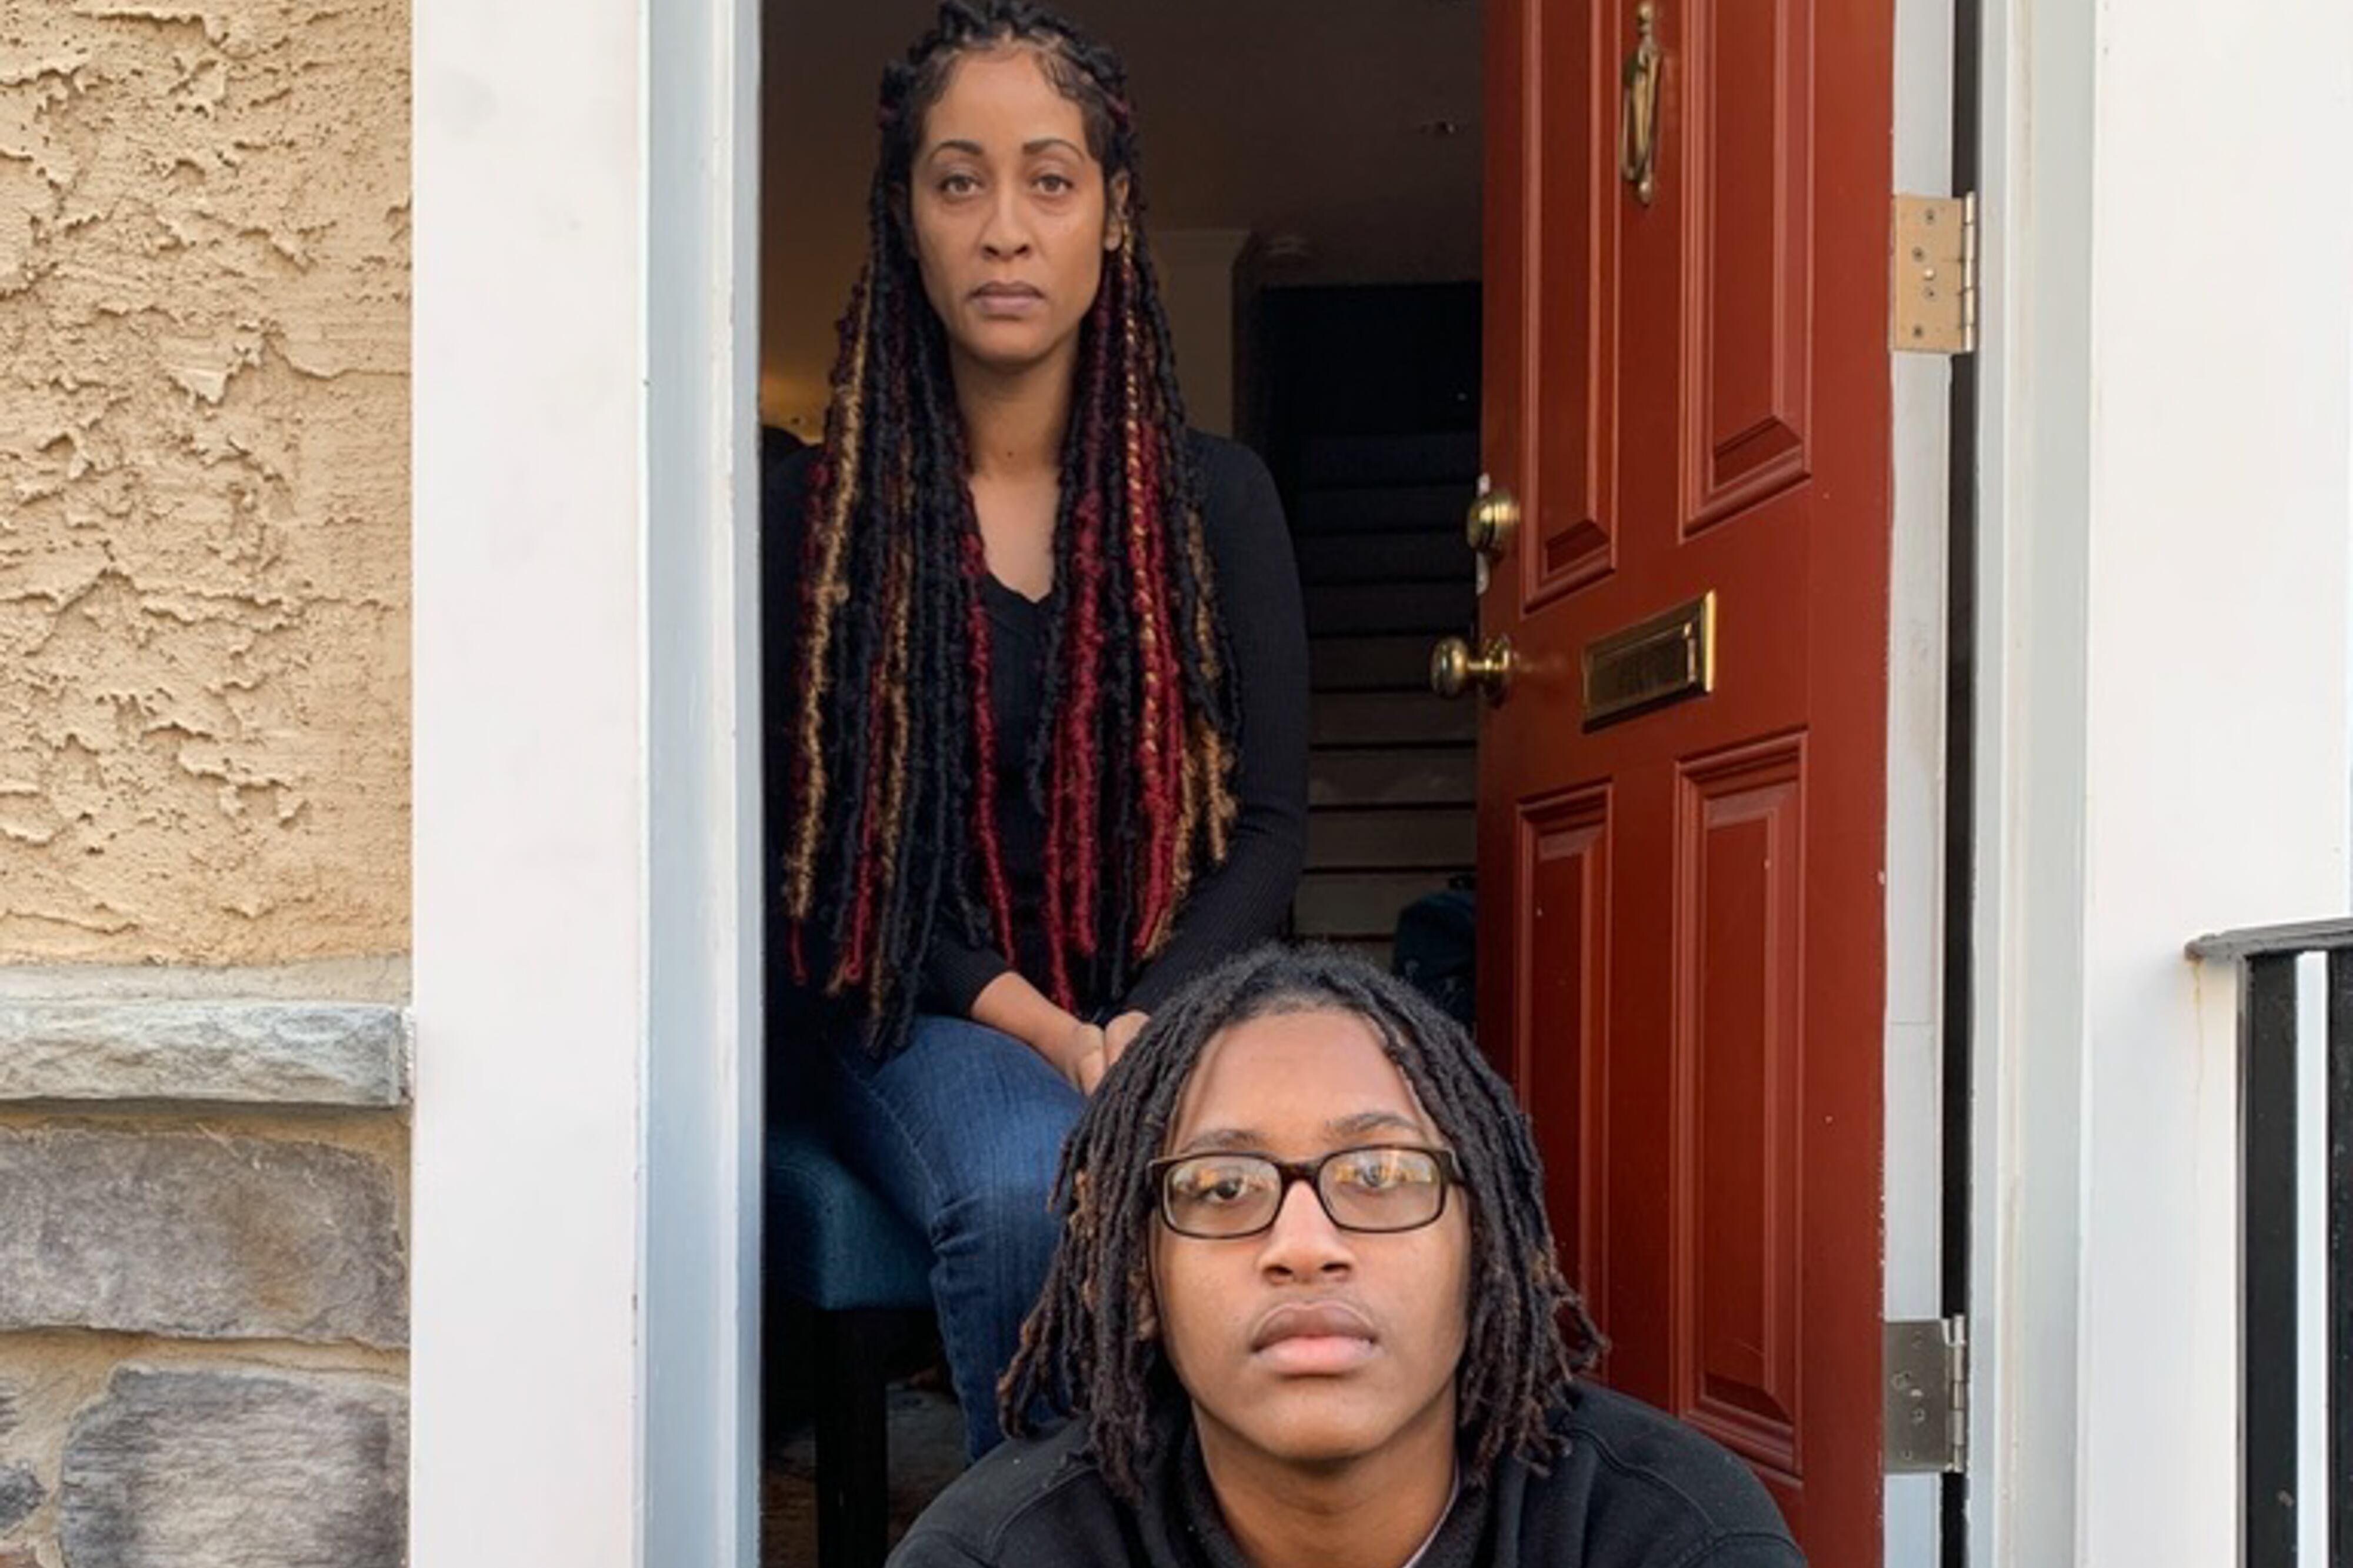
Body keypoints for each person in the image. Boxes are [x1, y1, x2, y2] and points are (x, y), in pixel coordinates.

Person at [763, 1, 1308, 1460]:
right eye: (959, 180)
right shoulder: (812, 526)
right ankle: (1061, 1536)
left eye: (1049, 180)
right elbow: (814, 869)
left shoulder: (1217, 504)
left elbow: (1267, 828)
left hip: (1175, 992)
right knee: (1030, 1178)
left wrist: (1151, 1019)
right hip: (924, 1006)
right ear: (906, 218)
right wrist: (1053, 1034)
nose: (1005, 226)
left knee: (1337, 1174)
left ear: (1113, 217)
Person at [890, 946, 1805, 1567]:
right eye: (1221, 1186)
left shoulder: (1670, 1535)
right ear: (1138, 1276)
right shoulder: (1002, 1551)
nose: (1304, 1245)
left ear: (1484, 1250)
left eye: (1380, 1171)